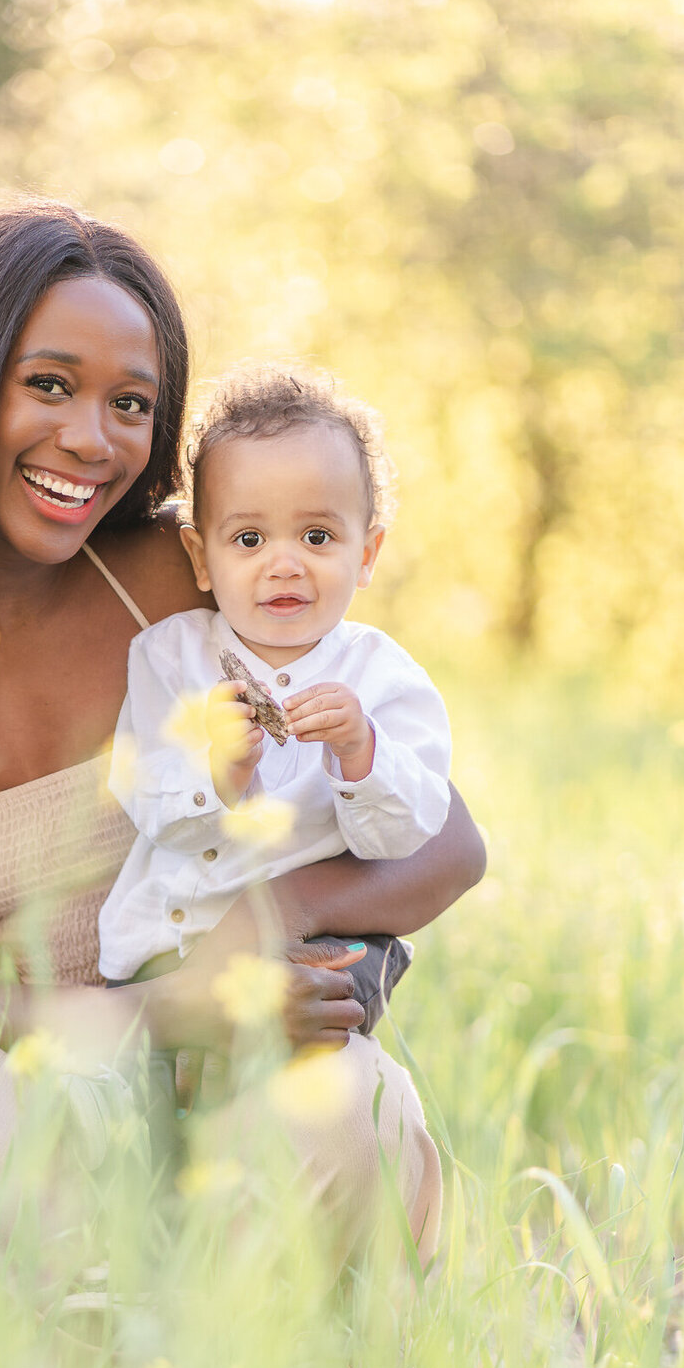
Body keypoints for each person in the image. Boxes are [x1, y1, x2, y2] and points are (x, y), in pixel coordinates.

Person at [0, 199, 484, 1269]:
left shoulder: (177, 569)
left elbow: (448, 844)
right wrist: (169, 1010)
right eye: (48, 384)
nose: (91, 440)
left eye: (131, 403)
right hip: (12, 1045)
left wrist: (260, 927)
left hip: (237, 1038)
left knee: (338, 1103)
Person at [97, 366, 451, 1039]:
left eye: (317, 537)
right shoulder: (168, 656)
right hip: (165, 947)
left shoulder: (384, 677)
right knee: (143, 1078)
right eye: (250, 539)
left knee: (340, 982)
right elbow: (144, 799)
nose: (283, 564)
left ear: (367, 551)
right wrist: (217, 773)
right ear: (201, 557)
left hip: (313, 941)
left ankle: (279, 1062)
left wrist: (361, 751)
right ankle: (187, 1063)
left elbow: (405, 834)